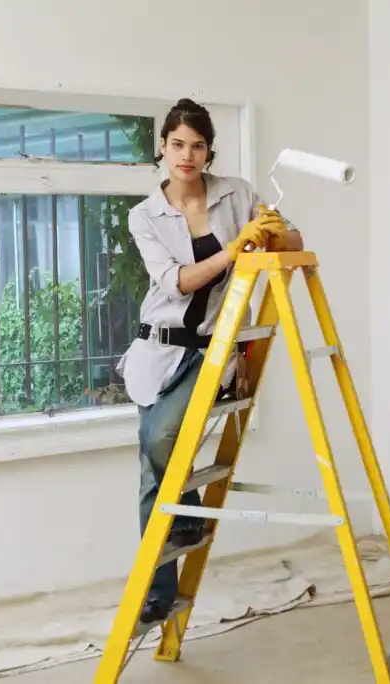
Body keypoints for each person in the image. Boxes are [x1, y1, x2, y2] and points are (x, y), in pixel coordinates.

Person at [116, 98, 304, 624]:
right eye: (178, 144)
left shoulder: (237, 194)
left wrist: (270, 233)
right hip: (158, 347)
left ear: (208, 151)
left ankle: (185, 516)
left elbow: (294, 238)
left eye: (197, 145)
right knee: (153, 469)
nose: (187, 155)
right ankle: (158, 589)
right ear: (163, 147)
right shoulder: (144, 216)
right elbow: (175, 279)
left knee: (160, 441)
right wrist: (233, 250)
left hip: (212, 348)